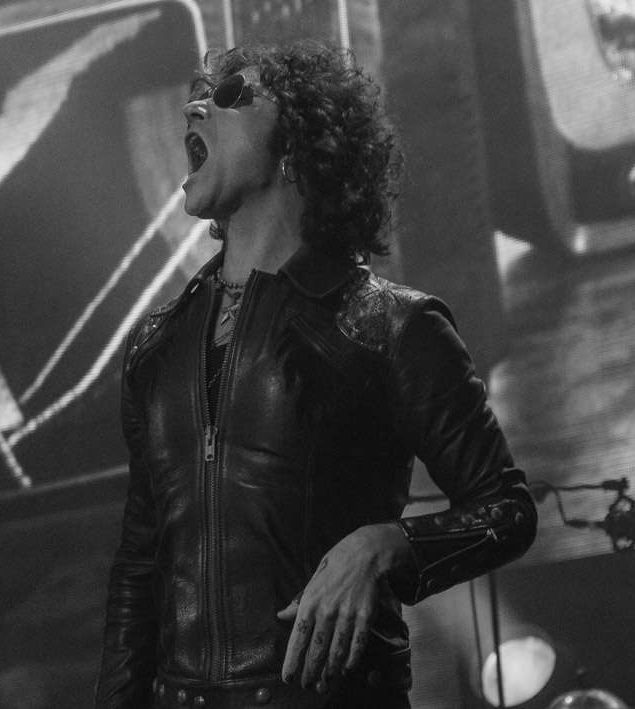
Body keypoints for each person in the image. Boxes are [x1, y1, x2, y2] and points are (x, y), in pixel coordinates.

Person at [96, 41, 536, 709]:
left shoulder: (391, 326)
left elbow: (508, 510)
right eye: (198, 95)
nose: (195, 107)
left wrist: (386, 545)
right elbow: (139, 568)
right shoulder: (157, 346)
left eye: (232, 95)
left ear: (299, 145)